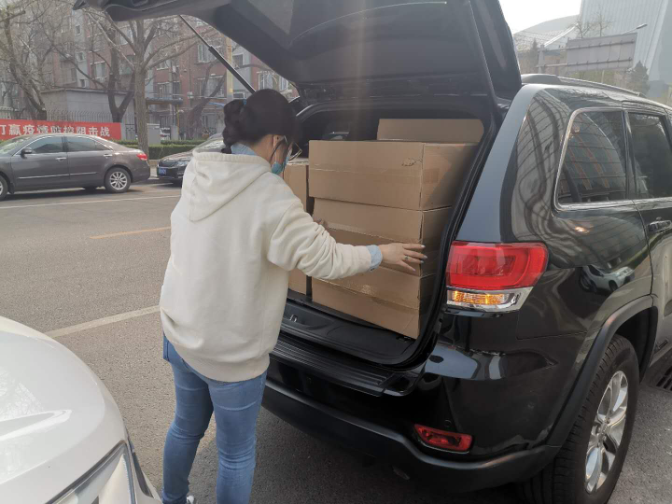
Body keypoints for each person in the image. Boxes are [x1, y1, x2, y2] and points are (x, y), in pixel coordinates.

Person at [159, 89, 426, 504]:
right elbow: (327, 260)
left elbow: (244, 237)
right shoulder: (271, 197)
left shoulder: (200, 171)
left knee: (185, 427)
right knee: (235, 455)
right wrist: (382, 253)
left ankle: (172, 500)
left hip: (180, 330)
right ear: (275, 141)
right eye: (290, 149)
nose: (288, 159)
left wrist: (305, 231)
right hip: (229, 354)